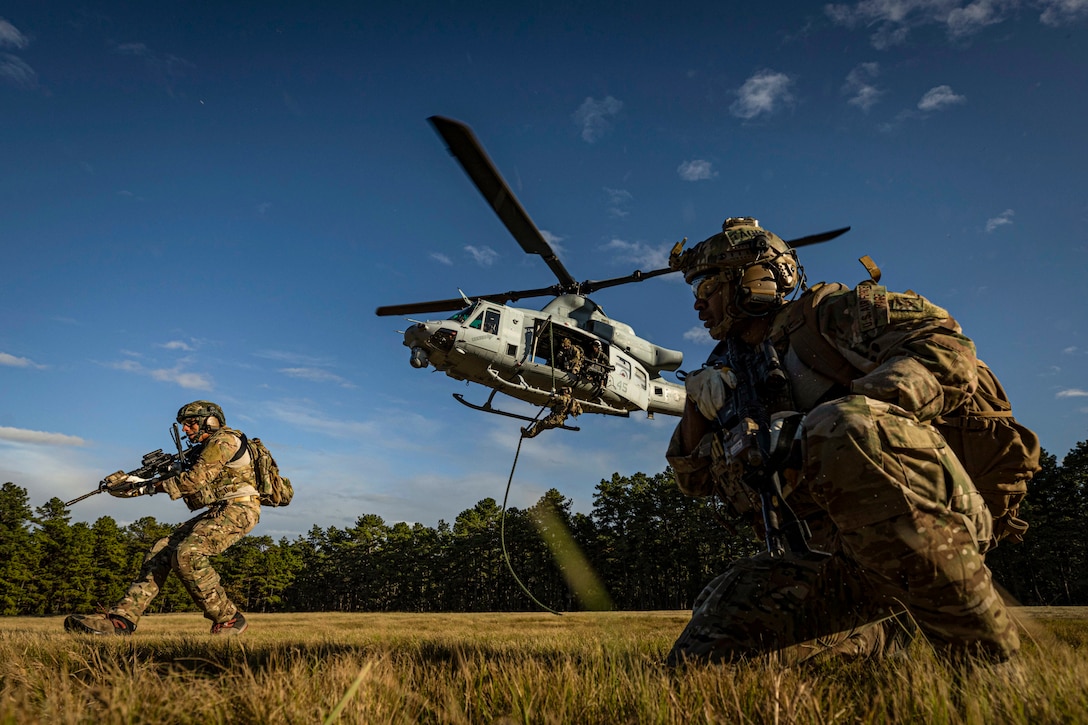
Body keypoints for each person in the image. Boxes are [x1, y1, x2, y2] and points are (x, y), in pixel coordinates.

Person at [664, 217, 1019, 667]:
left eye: (707, 288)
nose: (698, 305)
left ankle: (989, 669)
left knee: (843, 425)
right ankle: (886, 633)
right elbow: (694, 483)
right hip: (831, 559)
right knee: (701, 660)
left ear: (755, 281)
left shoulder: (830, 315)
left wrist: (822, 424)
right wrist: (698, 404)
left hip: (928, 516)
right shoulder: (730, 370)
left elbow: (946, 352)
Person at [64, 401, 261, 637]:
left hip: (240, 509)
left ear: (211, 421)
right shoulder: (203, 449)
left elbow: (192, 481)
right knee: (161, 549)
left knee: (187, 554)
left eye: (190, 424)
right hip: (221, 509)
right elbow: (180, 477)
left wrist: (143, 488)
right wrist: (133, 480)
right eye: (183, 425)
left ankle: (229, 619)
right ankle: (121, 619)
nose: (186, 430)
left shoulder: (224, 440)